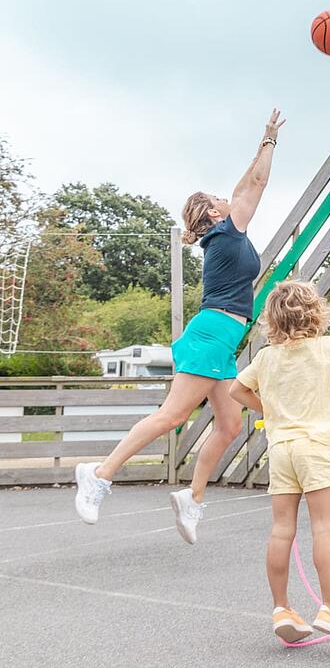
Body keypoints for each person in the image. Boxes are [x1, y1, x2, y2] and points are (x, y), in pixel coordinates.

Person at [74, 109, 286, 544]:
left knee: (229, 425)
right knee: (172, 416)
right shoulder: (228, 233)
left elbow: (246, 184)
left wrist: (261, 145)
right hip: (210, 335)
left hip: (222, 342)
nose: (230, 197)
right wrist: (269, 142)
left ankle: (191, 497)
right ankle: (98, 474)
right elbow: (256, 184)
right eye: (219, 197)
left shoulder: (229, 235)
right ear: (212, 211)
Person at [230, 281, 330, 645]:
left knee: (281, 530)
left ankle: (281, 608)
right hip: (317, 447)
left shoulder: (265, 357)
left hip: (282, 450)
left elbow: (237, 391)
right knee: (323, 528)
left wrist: (272, 409)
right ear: (316, 314)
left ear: (272, 319)